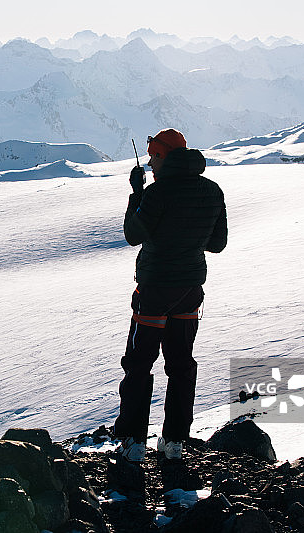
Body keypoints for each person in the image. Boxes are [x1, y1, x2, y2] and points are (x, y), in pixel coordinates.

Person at [113, 128, 227, 462]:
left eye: (152, 157)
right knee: (180, 364)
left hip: (153, 291)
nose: (149, 164)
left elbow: (133, 235)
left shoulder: (157, 193)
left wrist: (137, 193)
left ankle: (133, 442)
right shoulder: (212, 191)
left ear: (164, 156)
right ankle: (174, 441)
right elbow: (217, 244)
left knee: (138, 364)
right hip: (190, 292)